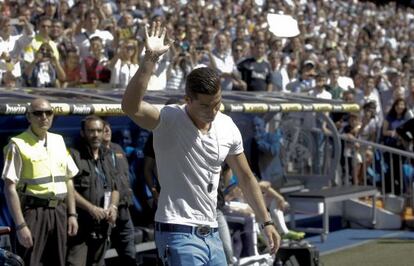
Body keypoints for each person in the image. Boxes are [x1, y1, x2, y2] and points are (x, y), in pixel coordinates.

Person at [121, 22, 280, 265]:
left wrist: (266, 220)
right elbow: (130, 106)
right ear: (188, 100)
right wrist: (150, 59)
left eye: (217, 103)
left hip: (212, 230)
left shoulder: (227, 125)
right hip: (177, 231)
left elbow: (247, 178)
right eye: (205, 105)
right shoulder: (170, 118)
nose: (213, 111)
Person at [2, 98, 78, 266]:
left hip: (59, 212)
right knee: (31, 262)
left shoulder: (58, 141)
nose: (44, 117)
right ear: (29, 117)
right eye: (38, 113)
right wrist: (21, 225)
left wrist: (72, 214)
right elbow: (9, 188)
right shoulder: (17, 144)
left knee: (59, 261)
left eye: (48, 113)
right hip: (33, 214)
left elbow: (68, 180)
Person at [67, 115, 119, 266]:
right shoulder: (74, 155)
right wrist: (90, 208)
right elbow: (68, 189)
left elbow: (115, 188)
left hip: (103, 225)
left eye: (98, 130)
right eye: (91, 131)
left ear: (104, 132)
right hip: (80, 226)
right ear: (83, 133)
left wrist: (113, 207)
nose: (95, 135)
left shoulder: (108, 155)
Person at [102, 121, 136, 265]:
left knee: (129, 251)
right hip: (105, 211)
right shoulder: (95, 152)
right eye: (103, 128)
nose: (107, 130)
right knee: (100, 252)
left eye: (108, 127)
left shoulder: (118, 148)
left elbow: (125, 175)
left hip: (124, 208)